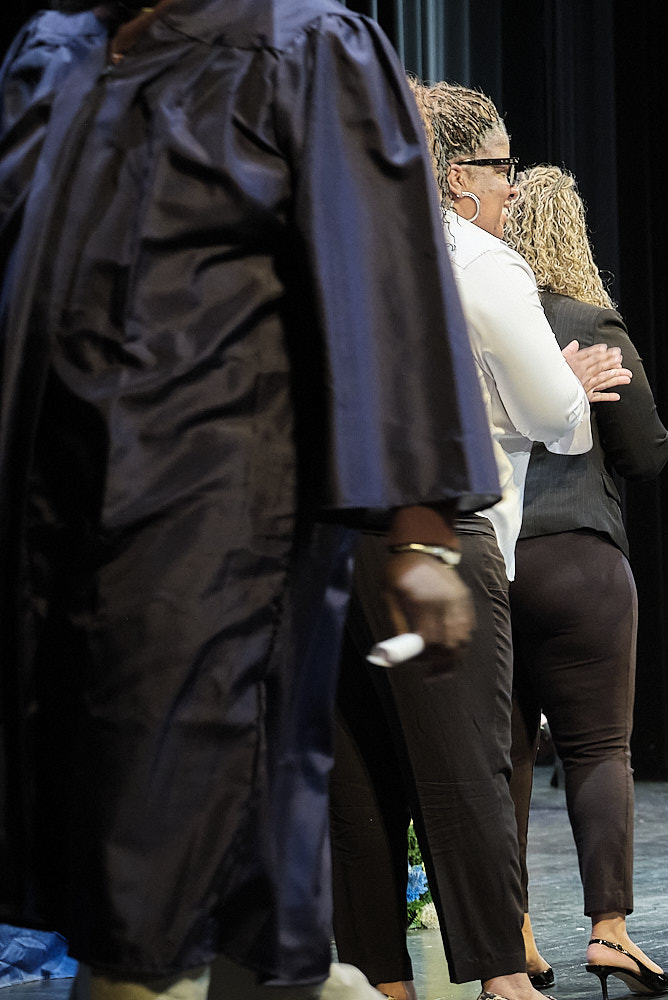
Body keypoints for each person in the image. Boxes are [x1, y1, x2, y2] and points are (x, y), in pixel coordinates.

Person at [0, 3, 500, 998]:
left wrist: (421, 529)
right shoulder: (50, 52)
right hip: (43, 524)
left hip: (214, 521)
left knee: (163, 850)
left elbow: (381, 278)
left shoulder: (306, 45)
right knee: (103, 839)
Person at [328, 83, 628, 1000]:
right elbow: (555, 417)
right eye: (500, 166)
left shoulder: (337, 245)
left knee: (359, 777)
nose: (510, 185)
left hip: (335, 540)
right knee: (467, 771)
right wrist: (570, 382)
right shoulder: (477, 258)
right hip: (441, 535)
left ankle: (382, 983)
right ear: (457, 176)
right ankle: (504, 977)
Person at [502, 164, 668, 997]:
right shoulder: (589, 321)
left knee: (500, 758)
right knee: (598, 749)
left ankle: (510, 937)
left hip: (492, 557)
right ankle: (609, 932)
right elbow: (646, 454)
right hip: (579, 561)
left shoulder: (477, 322)